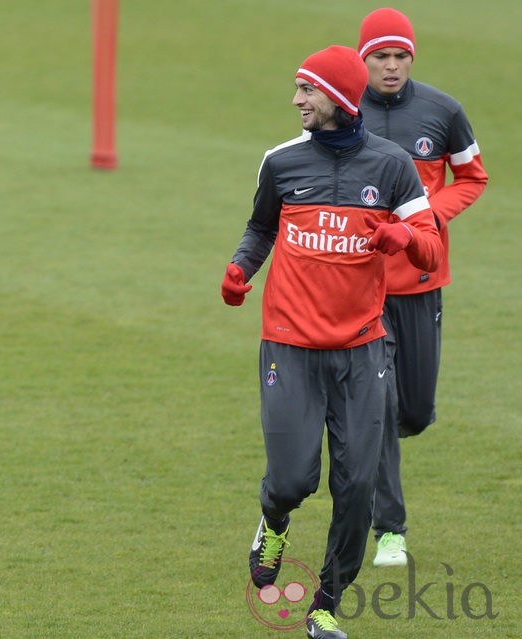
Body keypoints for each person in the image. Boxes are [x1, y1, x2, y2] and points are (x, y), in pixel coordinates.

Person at [220, 45, 443, 639]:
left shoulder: (394, 167)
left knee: (358, 487)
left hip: (362, 350)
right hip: (289, 346)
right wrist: (242, 268)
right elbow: (261, 226)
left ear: (339, 99)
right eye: (297, 89)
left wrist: (402, 236)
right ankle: (273, 520)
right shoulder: (281, 162)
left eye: (307, 90)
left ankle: (325, 605)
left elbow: (431, 247)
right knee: (294, 479)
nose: (296, 100)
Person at [356, 8, 488, 568]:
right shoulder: (341, 111)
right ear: (363, 60)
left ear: (412, 58)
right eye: (380, 57)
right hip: (361, 289)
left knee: (413, 409)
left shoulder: (443, 111)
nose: (390, 66)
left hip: (423, 282)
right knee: (380, 407)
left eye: (399, 56)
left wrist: (425, 217)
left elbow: (473, 177)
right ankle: (391, 531)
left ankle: (389, 432)